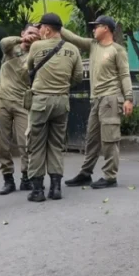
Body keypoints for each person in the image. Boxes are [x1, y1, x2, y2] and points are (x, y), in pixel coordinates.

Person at [64, 15, 135, 189]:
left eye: (96, 26)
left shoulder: (117, 50)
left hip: (111, 98)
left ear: (106, 28)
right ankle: (85, 174)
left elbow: (124, 75)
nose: (94, 29)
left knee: (110, 139)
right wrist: (57, 26)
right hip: (96, 99)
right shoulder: (93, 46)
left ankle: (110, 177)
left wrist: (128, 99)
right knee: (92, 139)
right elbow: (74, 38)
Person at [25, 13, 83, 202]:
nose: (40, 31)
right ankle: (56, 188)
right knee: (56, 145)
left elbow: (28, 69)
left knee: (36, 145)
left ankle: (37, 190)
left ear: (48, 30)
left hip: (41, 102)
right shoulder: (73, 49)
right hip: (61, 102)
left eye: (41, 27)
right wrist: (63, 85)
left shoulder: (36, 46)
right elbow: (78, 76)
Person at [0, 25, 39, 195]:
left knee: (26, 141)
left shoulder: (36, 54)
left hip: (22, 101)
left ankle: (26, 177)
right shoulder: (11, 48)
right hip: (2, 98)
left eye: (36, 35)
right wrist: (22, 40)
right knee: (1, 143)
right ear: (22, 33)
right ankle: (8, 178)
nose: (32, 36)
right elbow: (3, 42)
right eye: (30, 33)